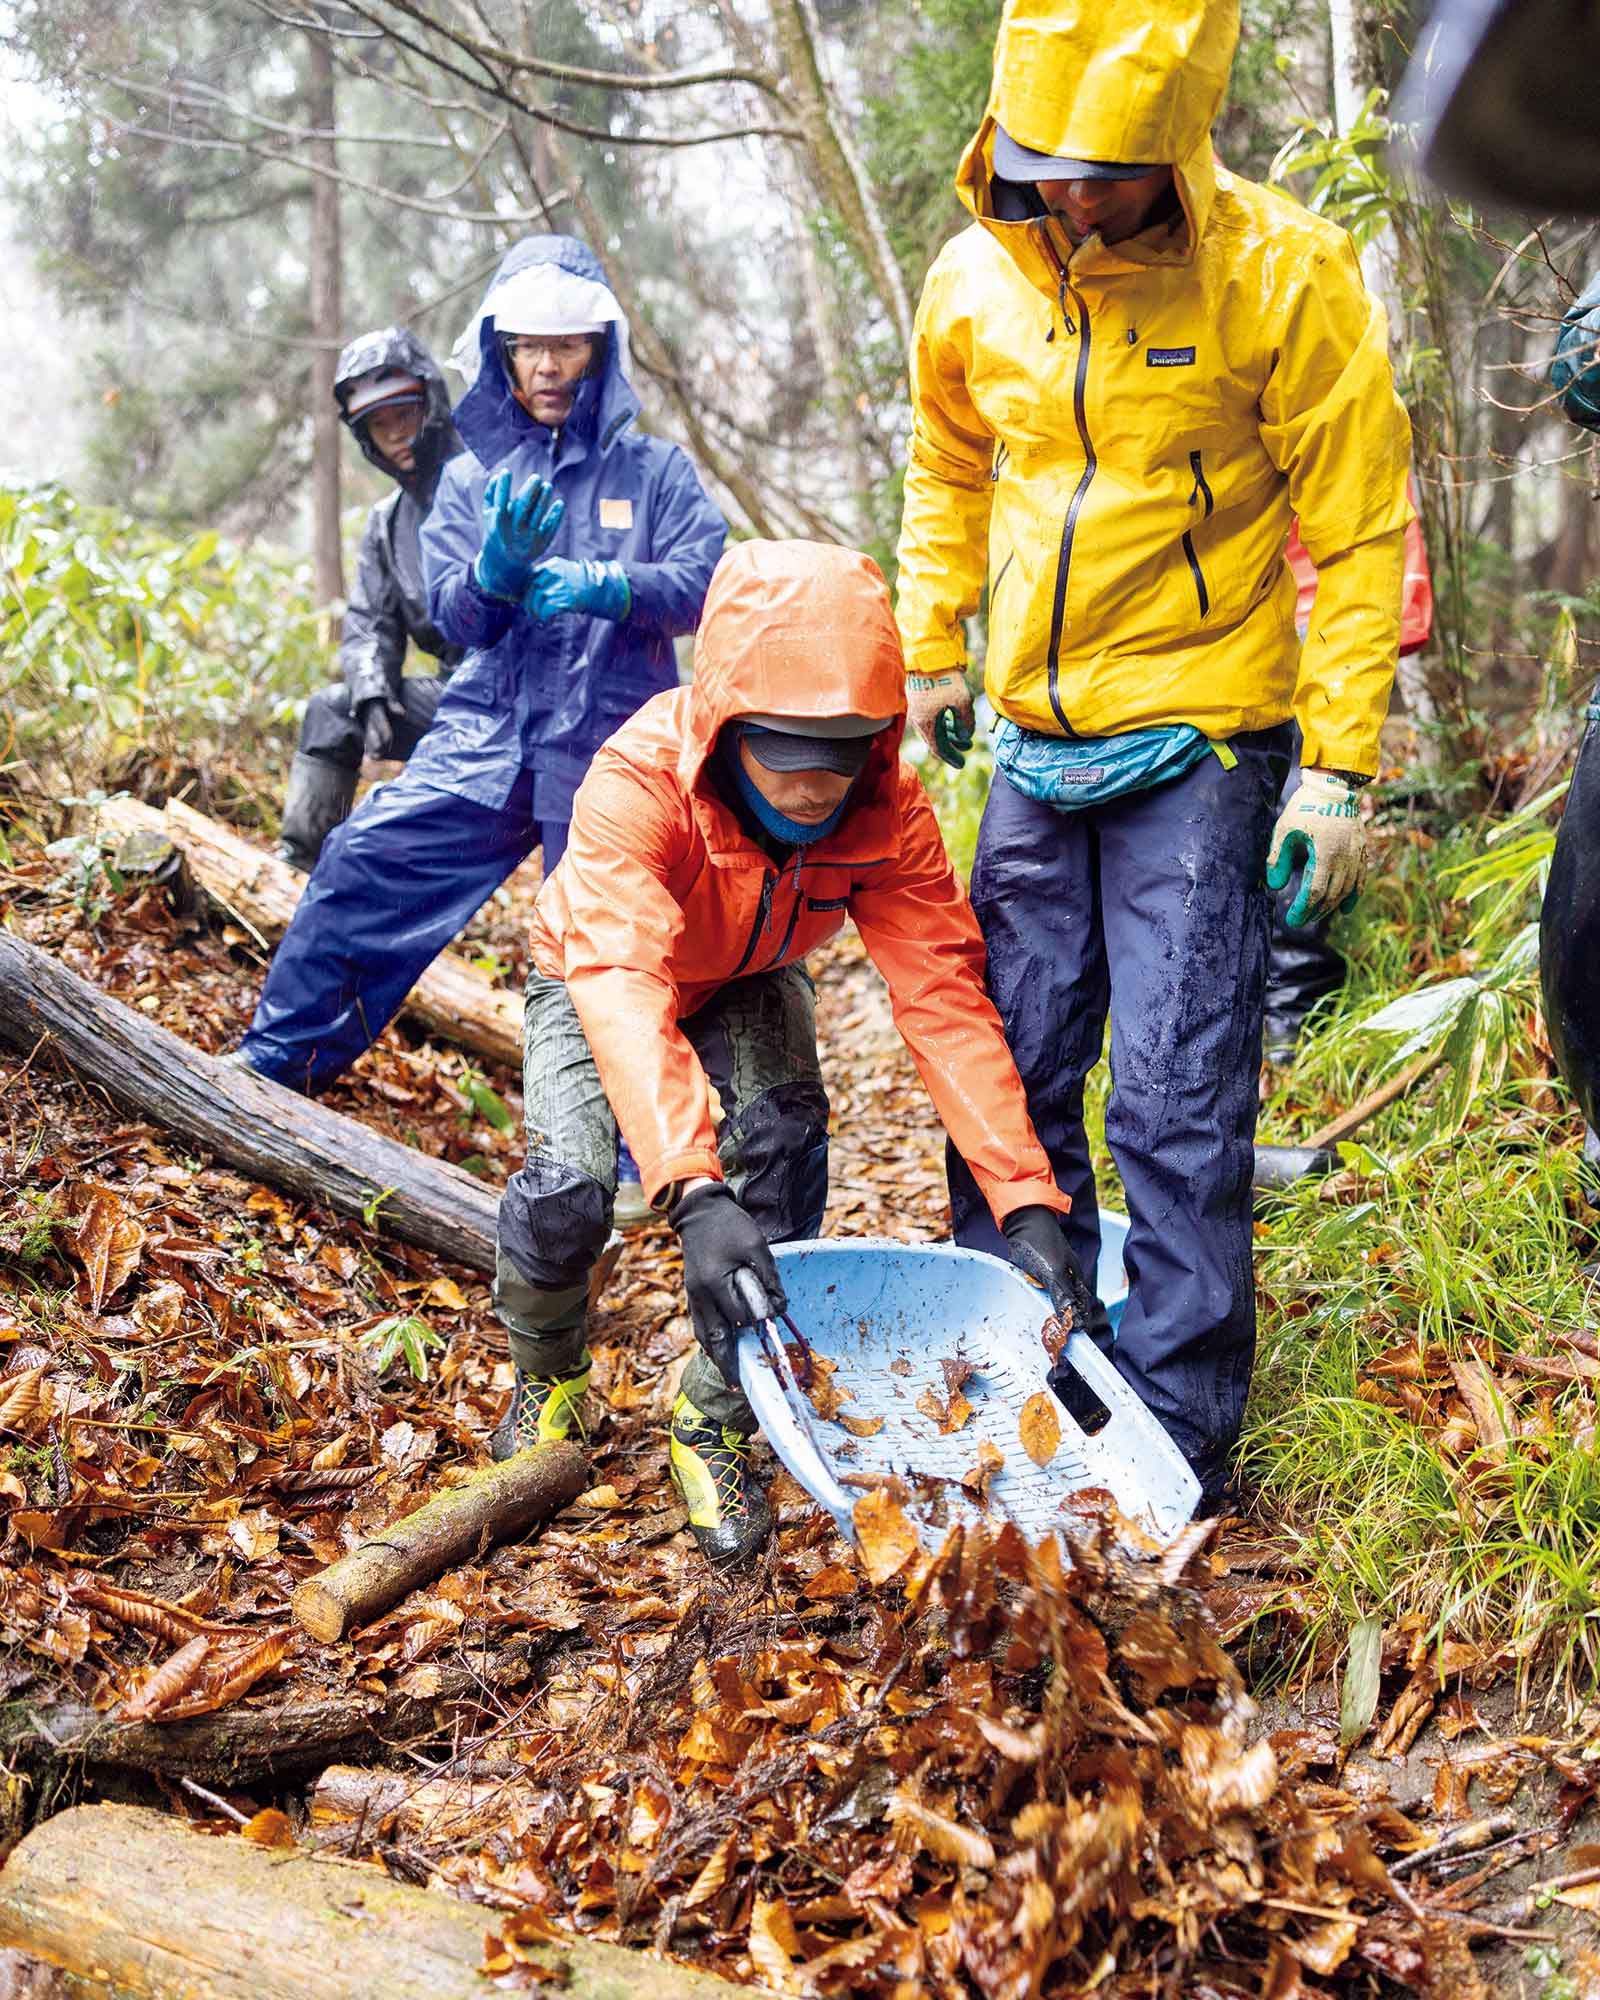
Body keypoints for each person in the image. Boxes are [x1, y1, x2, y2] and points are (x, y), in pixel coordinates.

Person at [894, 0, 1412, 1507]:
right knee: (1013, 1071)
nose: (1070, 194)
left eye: (1105, 171)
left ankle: (1179, 1427)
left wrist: (1339, 766)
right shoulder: (977, 272)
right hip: (1037, 746)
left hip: (1204, 736)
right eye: (1047, 163)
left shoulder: (1280, 272)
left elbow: (1362, 528)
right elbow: (946, 457)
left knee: (1179, 1096)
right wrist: (936, 647)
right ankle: (1011, 1366)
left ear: (1175, 145)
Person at [490, 537, 1093, 1567]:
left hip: (753, 968)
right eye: (785, 746)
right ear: (725, 717)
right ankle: (548, 1374)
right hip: (595, 969)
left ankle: (717, 1413)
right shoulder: (641, 783)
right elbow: (624, 982)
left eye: (845, 746)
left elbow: (943, 996)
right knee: (562, 1193)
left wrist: (1024, 1198)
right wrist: (690, 1189)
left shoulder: (885, 808)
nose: (817, 781)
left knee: (784, 1142)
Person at [238, 234, 727, 1228]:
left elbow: (713, 581)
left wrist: (613, 583)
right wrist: (499, 570)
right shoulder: (470, 481)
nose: (547, 366)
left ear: (602, 350)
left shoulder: (656, 470)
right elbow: (458, 620)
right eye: (528, 347)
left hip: (611, 745)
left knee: (611, 946)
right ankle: (271, 1068)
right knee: (365, 861)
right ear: (500, 354)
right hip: (489, 732)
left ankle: (645, 1164)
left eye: (568, 345)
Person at [276, 328, 466, 872]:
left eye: (404, 416)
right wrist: (373, 693)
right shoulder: (387, 524)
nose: (397, 436)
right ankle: (296, 867)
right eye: (380, 426)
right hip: (453, 695)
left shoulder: (490, 477)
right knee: (332, 712)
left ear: (430, 404)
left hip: (522, 701)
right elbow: (370, 624)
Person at [1262, 504, 1435, 1064]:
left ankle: (1291, 1021)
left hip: (1314, 610)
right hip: (1260, 616)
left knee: (1298, 811)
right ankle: (1282, 1016)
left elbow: (1375, 515)